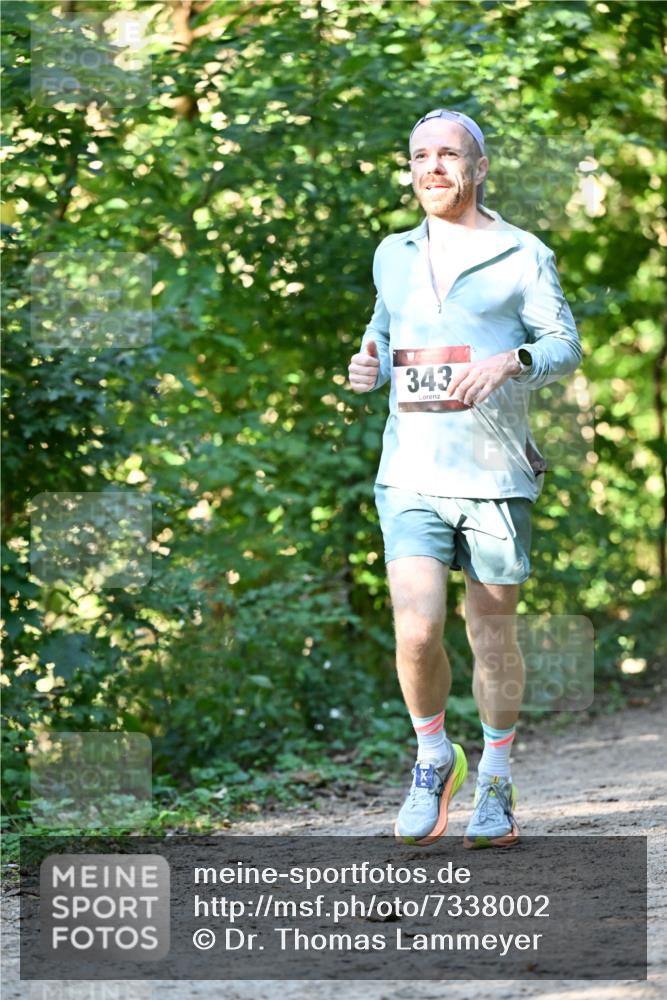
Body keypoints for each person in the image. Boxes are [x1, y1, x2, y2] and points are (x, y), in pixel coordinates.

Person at [347, 108, 582, 848]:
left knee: (489, 635)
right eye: (420, 156)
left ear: (477, 169)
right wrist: (369, 361)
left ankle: (497, 778)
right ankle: (431, 756)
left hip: (493, 472)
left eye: (448, 155)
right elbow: (384, 331)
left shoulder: (520, 252)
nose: (433, 168)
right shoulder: (392, 253)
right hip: (409, 470)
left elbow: (563, 345)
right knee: (416, 630)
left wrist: (512, 361)